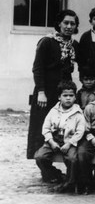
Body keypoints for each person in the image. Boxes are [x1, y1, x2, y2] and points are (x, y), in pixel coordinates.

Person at [28, 9, 80, 160]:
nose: (69, 26)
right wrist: (41, 92)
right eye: (66, 22)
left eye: (73, 23)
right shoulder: (47, 41)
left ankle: (63, 161)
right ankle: (44, 165)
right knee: (43, 126)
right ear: (59, 23)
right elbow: (37, 68)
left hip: (64, 92)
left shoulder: (73, 45)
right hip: (46, 91)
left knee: (63, 127)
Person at [34, 81, 85, 191]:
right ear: (59, 97)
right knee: (40, 157)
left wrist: (69, 144)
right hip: (53, 140)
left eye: (71, 96)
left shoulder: (78, 113)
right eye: (65, 95)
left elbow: (80, 132)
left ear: (75, 97)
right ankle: (56, 175)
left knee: (72, 159)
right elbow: (45, 128)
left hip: (69, 141)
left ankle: (70, 182)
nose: (68, 98)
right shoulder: (53, 111)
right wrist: (51, 141)